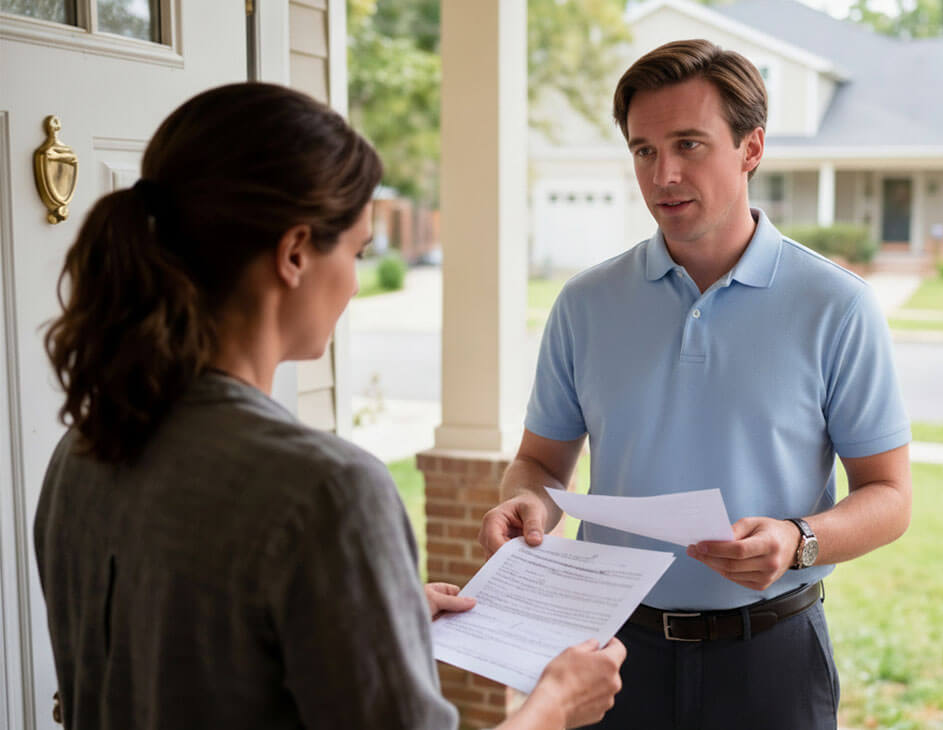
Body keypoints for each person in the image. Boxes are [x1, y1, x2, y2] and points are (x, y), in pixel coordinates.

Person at [35, 82, 625, 730]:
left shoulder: (84, 449)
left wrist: (370, 617)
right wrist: (555, 704)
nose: (355, 277)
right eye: (358, 251)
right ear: (293, 254)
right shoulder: (329, 491)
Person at [479, 39, 912, 730]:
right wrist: (526, 505)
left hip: (772, 659)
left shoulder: (837, 306)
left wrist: (799, 539)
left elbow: (890, 497)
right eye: (644, 150)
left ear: (751, 148)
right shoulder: (585, 304)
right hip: (614, 656)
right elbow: (538, 464)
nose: (664, 174)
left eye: (689, 144)